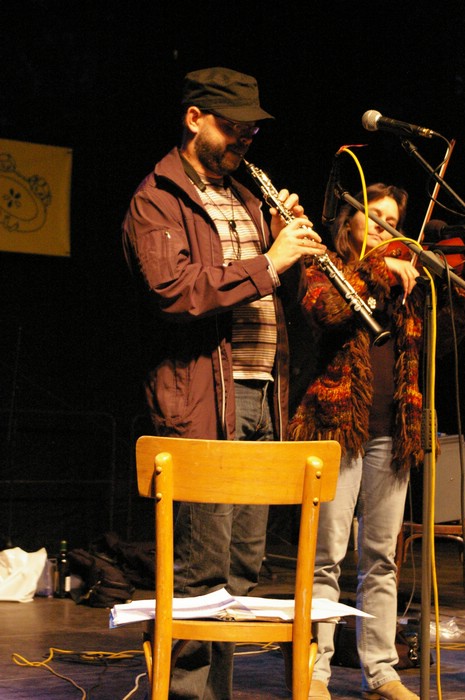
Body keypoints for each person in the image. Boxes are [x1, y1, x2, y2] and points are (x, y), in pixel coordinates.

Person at [122, 66, 326, 700]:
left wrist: (288, 244)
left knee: (241, 570)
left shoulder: (245, 196)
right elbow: (175, 291)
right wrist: (270, 260)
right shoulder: (158, 198)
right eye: (233, 126)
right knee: (200, 573)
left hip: (263, 393)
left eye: (251, 131)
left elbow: (269, 285)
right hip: (205, 398)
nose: (244, 139)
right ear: (194, 119)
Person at [288, 183, 465, 700]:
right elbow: (325, 312)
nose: (386, 228)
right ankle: (315, 669)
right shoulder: (323, 265)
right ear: (350, 222)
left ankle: (381, 670)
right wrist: (373, 272)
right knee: (326, 555)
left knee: (382, 558)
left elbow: (442, 339)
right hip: (336, 427)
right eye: (376, 217)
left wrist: (444, 288)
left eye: (393, 221)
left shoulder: (406, 280)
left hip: (393, 429)